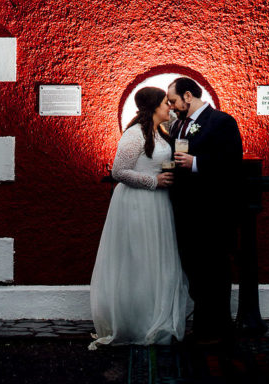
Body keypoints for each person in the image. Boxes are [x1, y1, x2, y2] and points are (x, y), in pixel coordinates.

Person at [89, 86, 189, 349]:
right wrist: (153, 181)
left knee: (158, 259)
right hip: (138, 204)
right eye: (166, 103)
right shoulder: (134, 134)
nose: (170, 107)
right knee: (140, 259)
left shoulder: (160, 132)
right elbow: (119, 171)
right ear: (154, 106)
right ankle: (137, 321)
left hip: (159, 205)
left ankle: (158, 316)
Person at [167, 76, 243, 345]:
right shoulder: (177, 125)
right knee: (194, 270)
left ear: (188, 96)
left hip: (213, 213)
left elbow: (232, 164)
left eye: (174, 100)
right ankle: (201, 327)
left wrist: (196, 162)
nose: (172, 106)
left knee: (216, 269)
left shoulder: (221, 122)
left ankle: (220, 329)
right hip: (184, 212)